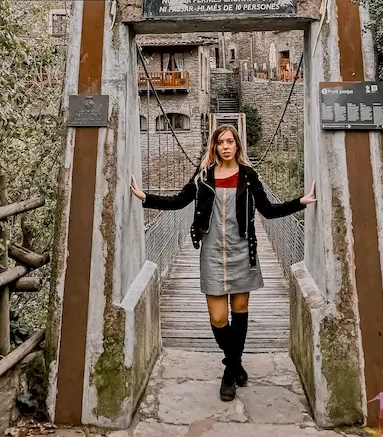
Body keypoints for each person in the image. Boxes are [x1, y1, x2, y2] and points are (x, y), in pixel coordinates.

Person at [131, 124, 317, 401]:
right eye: (221, 142)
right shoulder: (204, 176)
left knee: (239, 310)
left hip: (243, 249)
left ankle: (229, 372)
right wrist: (146, 198)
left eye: (231, 141)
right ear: (215, 147)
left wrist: (300, 202)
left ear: (237, 146)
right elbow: (180, 201)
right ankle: (236, 363)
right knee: (218, 317)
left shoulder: (248, 175)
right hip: (212, 250)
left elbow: (267, 209)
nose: (226, 146)